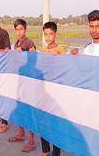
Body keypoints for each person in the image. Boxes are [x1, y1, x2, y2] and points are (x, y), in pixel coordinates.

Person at [7, 19, 36, 153]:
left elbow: (34, 58)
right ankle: (21, 133)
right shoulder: (15, 43)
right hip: (19, 79)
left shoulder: (29, 43)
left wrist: (23, 52)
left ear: (25, 29)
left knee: (28, 111)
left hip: (28, 81)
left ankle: (31, 140)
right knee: (19, 108)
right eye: (17, 29)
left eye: (21, 29)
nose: (19, 32)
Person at [40, 22, 63, 156]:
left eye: (51, 34)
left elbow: (65, 68)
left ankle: (56, 153)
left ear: (55, 34)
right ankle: (45, 151)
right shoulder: (43, 51)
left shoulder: (60, 51)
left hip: (56, 92)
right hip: (45, 91)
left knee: (55, 124)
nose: (48, 37)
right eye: (46, 34)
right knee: (43, 121)